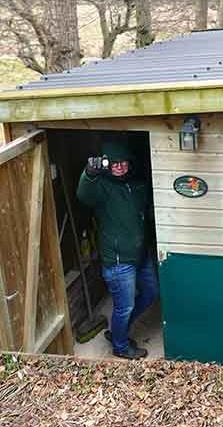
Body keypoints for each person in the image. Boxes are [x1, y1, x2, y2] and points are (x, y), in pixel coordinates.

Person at [76, 138, 157, 360]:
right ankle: (121, 347)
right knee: (125, 306)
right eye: (114, 163)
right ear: (106, 164)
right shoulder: (101, 187)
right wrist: (89, 173)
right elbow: (84, 195)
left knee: (150, 293)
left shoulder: (137, 184)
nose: (119, 167)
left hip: (141, 255)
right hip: (119, 262)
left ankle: (118, 332)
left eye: (123, 162)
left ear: (129, 163)